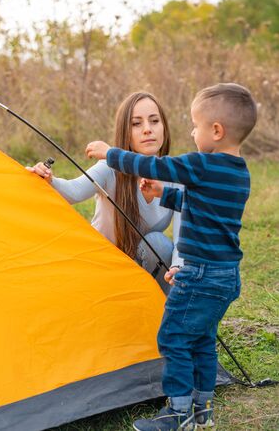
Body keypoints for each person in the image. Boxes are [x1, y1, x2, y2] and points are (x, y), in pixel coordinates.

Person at [85, 83, 257, 430]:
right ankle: (202, 409)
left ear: (216, 131)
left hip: (198, 274)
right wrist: (164, 195)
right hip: (226, 276)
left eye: (195, 126)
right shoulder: (239, 173)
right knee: (203, 339)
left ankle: (179, 414)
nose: (192, 132)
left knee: (173, 338)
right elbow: (203, 209)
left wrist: (110, 153)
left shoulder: (202, 164)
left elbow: (155, 165)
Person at [27, 92, 184, 293]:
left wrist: (178, 266)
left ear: (164, 128)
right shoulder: (110, 168)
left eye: (154, 121)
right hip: (102, 266)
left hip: (142, 268)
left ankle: (166, 316)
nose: (147, 129)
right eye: (136, 123)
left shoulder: (176, 178)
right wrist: (49, 179)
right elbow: (72, 192)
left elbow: (182, 237)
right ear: (124, 132)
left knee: (159, 243)